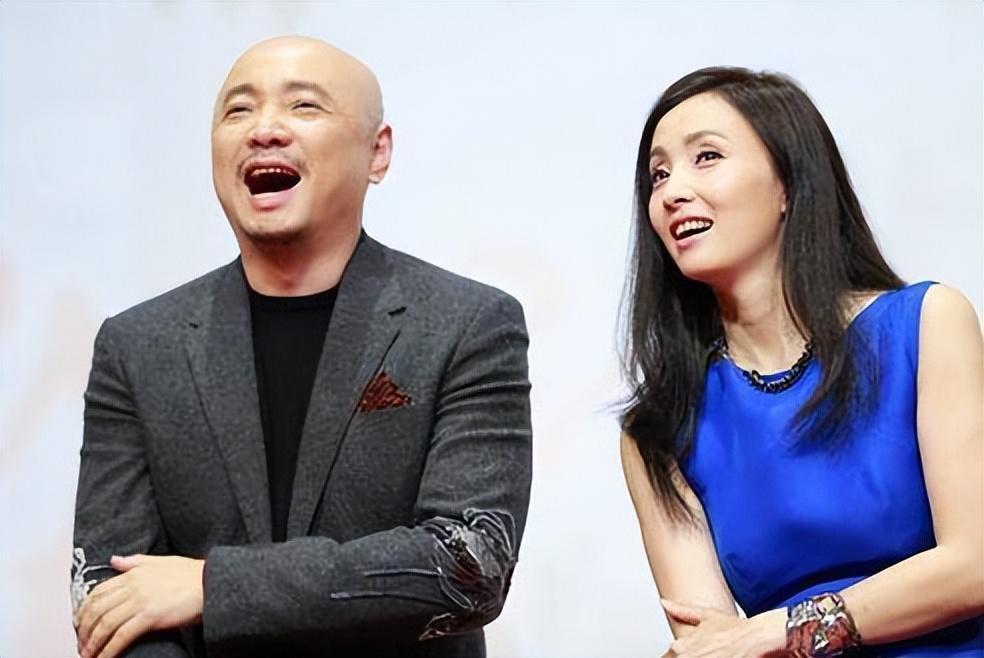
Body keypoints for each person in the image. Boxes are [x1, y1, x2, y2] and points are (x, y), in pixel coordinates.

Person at [71, 36, 532, 658]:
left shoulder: (468, 323)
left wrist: (214, 586)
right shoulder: (136, 345)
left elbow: (469, 566)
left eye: (303, 106)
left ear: (377, 152)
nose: (263, 129)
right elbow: (107, 596)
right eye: (238, 110)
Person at [619, 67, 983, 658]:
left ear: (789, 183)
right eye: (658, 174)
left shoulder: (926, 324)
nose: (671, 191)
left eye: (706, 157)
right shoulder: (659, 429)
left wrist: (784, 627)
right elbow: (713, 645)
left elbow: (974, 564)